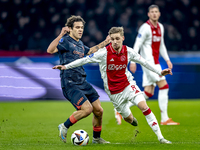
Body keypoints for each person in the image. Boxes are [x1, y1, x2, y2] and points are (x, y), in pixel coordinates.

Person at [53, 27, 172, 144]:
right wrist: (66, 66)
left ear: (123, 38)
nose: (115, 41)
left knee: (144, 107)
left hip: (128, 85)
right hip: (114, 93)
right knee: (129, 119)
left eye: (117, 39)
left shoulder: (128, 51)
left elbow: (144, 62)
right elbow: (84, 60)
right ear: (110, 39)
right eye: (113, 39)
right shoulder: (103, 53)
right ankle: (128, 118)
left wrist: (159, 72)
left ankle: (161, 138)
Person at [47, 15, 111, 144]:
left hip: (82, 81)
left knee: (99, 110)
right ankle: (64, 126)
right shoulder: (65, 41)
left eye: (81, 27)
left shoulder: (80, 44)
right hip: (70, 83)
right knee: (87, 109)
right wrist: (60, 34)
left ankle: (97, 139)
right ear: (70, 29)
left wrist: (105, 42)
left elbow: (90, 51)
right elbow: (50, 50)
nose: (80, 30)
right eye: (77, 27)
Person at [115, 4, 180, 126]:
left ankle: (120, 110)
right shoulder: (145, 28)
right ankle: (164, 119)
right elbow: (137, 44)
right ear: (148, 14)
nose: (154, 13)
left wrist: (167, 60)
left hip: (155, 63)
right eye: (152, 12)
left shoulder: (160, 27)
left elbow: (161, 45)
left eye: (156, 11)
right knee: (164, 86)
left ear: (159, 14)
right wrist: (132, 61)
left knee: (148, 92)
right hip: (148, 63)